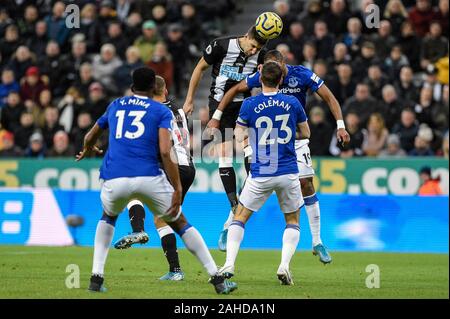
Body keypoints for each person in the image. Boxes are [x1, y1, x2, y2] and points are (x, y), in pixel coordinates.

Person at [76, 67, 236, 294]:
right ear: (154, 87)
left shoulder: (115, 105)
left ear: (132, 86)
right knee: (180, 223)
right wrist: (177, 186)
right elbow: (164, 150)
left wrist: (87, 148)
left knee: (108, 217)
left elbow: (90, 135)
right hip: (151, 174)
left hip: (114, 175)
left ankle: (96, 278)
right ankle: (217, 279)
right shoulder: (159, 110)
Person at [207, 50, 350, 263]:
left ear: (284, 64)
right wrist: (217, 117)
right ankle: (228, 226)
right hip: (267, 139)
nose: (272, 68)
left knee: (306, 184)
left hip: (296, 138)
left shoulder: (302, 74)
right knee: (251, 179)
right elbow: (234, 89)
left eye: (276, 64)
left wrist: (340, 125)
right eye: (268, 65)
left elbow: (329, 97)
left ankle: (317, 241)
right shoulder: (264, 75)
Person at [219, 61, 310, 286]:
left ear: (260, 79)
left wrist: (254, 142)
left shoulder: (249, 104)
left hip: (261, 171)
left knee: (240, 217)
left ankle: (229, 264)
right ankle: (284, 266)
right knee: (292, 220)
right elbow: (306, 133)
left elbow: (239, 135)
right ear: (281, 80)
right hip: (288, 170)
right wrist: (286, 138)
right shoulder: (292, 102)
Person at [182, 25, 268, 251]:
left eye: (257, 49)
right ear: (246, 36)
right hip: (218, 105)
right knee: (224, 153)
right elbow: (199, 68)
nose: (253, 51)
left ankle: (234, 217)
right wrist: (190, 99)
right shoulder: (221, 45)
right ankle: (233, 208)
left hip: (245, 105)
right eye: (252, 46)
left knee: (252, 160)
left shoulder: (262, 55)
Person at [113, 76, 195, 282]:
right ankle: (175, 271)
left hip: (171, 165)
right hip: (188, 167)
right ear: (165, 91)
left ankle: (138, 230)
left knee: (132, 188)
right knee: (164, 218)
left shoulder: (151, 112)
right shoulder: (178, 111)